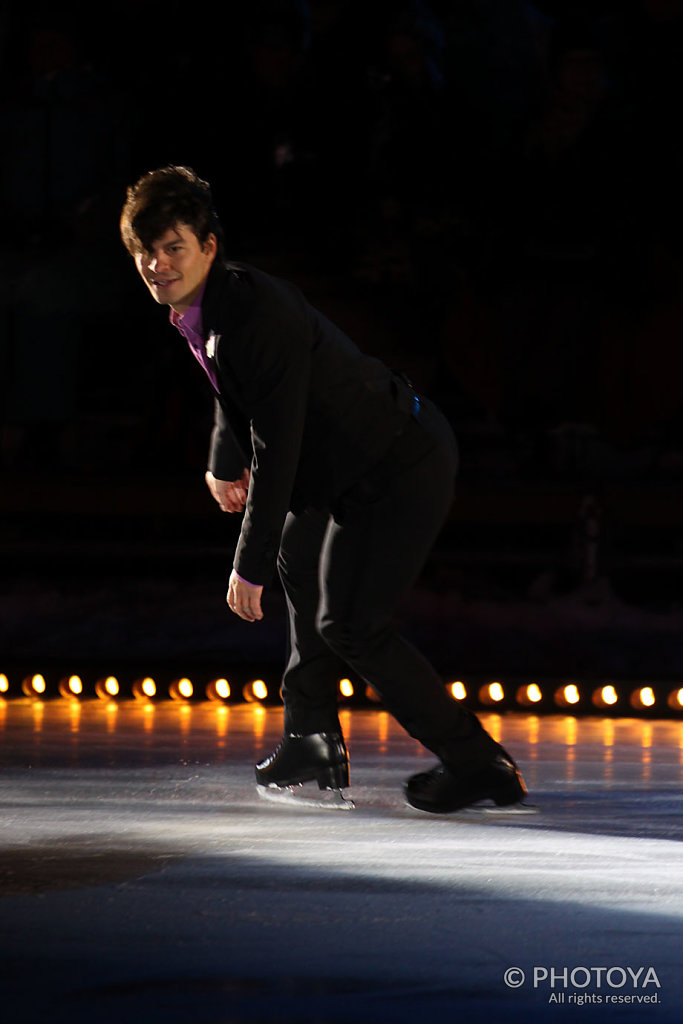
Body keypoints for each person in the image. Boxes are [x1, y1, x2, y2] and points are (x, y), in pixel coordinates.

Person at [119, 165, 529, 813]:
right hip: (341, 466)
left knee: (350, 625)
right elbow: (236, 394)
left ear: (208, 246)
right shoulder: (210, 306)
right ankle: (309, 734)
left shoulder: (254, 315)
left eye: (173, 247)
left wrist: (244, 566)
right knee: (298, 558)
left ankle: (480, 764)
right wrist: (223, 461)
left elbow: (276, 447)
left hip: (397, 461)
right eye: (145, 252)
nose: (157, 264)